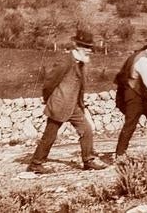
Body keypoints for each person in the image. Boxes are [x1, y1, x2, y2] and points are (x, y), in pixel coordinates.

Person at [27, 29, 108, 174]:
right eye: (86, 47)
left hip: (73, 106)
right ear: (77, 46)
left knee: (86, 130)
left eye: (90, 47)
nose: (89, 50)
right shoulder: (65, 61)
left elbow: (79, 88)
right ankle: (35, 163)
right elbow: (49, 83)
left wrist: (80, 105)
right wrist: (49, 100)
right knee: (50, 135)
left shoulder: (81, 63)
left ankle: (88, 161)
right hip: (59, 105)